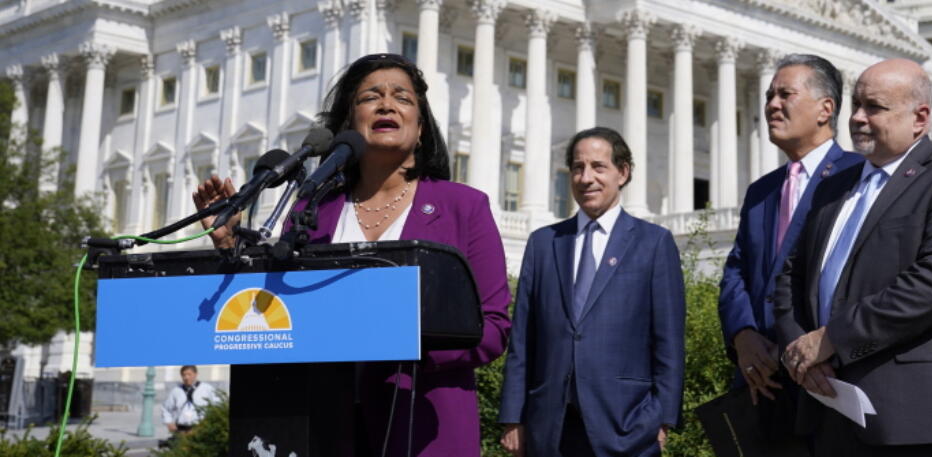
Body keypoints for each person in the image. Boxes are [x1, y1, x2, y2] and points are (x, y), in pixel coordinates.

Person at [194, 52, 511, 457]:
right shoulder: (312, 209)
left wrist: (403, 341)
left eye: (402, 98)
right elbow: (273, 311)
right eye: (370, 97)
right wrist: (230, 243)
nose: (386, 104)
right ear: (349, 124)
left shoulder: (463, 207)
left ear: (420, 127)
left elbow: (494, 327)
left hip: (424, 425)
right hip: (323, 422)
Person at [775, 58, 932, 456]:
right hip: (829, 408)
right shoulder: (831, 187)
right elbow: (790, 278)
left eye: (874, 107)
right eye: (856, 105)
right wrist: (803, 355)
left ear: (920, 117)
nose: (857, 118)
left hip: (917, 417)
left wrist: (833, 339)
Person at [499, 127, 685, 457]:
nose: (586, 178)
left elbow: (668, 339)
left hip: (626, 425)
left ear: (622, 172)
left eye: (598, 167)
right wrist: (513, 416)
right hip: (549, 426)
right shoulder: (543, 244)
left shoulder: (653, 243)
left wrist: (663, 417)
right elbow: (522, 340)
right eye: (578, 167)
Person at [719, 54, 861, 414]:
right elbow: (737, 270)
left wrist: (823, 344)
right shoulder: (761, 190)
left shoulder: (859, 177)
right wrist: (743, 335)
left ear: (825, 109)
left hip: (828, 377)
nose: (771, 105)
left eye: (785, 94)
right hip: (761, 380)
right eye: (769, 96)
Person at [161, 365, 219, 438]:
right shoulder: (176, 391)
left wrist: (208, 423)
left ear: (196, 374)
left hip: (200, 429)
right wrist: (169, 422)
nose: (186, 377)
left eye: (189, 374)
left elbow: (217, 407)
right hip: (181, 430)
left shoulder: (207, 389)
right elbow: (166, 408)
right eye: (183, 375)